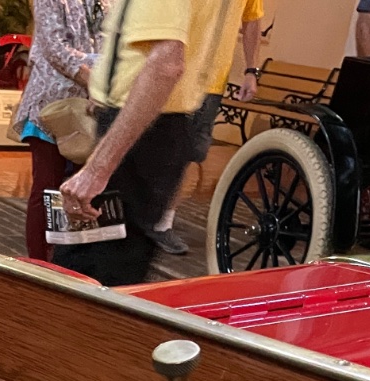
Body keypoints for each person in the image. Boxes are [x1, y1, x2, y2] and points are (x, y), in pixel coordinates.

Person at [55, 0, 242, 286]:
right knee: (116, 266)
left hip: (140, 128)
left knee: (87, 273)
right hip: (158, 124)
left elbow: (166, 64)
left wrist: (97, 170)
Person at [148, 0, 262, 255]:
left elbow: (253, 18)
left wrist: (251, 70)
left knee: (187, 153)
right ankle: (133, 216)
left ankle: (163, 223)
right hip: (169, 70)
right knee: (151, 144)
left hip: (210, 81)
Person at [11, 0, 103, 261]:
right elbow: (55, 48)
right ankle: (40, 263)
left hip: (92, 109)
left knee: (86, 191)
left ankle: (77, 260)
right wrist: (94, 80)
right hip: (51, 107)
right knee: (48, 188)